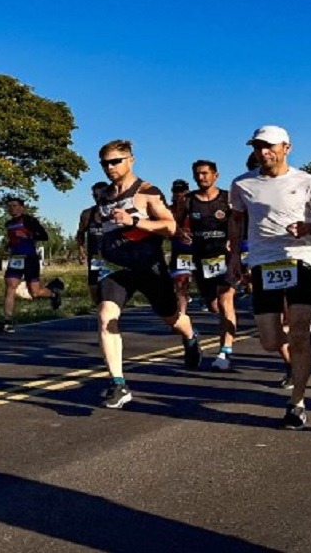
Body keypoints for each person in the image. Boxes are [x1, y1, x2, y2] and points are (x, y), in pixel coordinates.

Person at [228, 126, 311, 429]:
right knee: (269, 341)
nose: (262, 152)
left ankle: (297, 403)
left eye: (268, 146)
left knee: (297, 335)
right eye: (257, 146)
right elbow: (237, 221)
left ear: (287, 148)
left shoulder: (308, 182)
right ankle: (309, 328)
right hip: (262, 264)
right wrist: (233, 258)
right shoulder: (242, 184)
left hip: (299, 261)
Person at [94, 140, 202, 408]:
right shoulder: (104, 195)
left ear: (130, 160)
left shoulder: (147, 191)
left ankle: (190, 336)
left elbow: (169, 226)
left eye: (115, 161)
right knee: (106, 316)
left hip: (148, 266)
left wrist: (134, 221)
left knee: (172, 318)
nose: (110, 167)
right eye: (105, 163)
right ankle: (118, 383)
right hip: (117, 267)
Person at [176, 160, 236, 371]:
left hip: (224, 256)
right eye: (197, 174)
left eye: (204, 173)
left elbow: (238, 222)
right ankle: (212, 338)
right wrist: (181, 233)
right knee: (213, 305)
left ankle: (224, 352)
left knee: (225, 300)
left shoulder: (227, 198)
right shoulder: (188, 200)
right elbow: (175, 223)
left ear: (215, 175)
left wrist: (233, 243)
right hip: (201, 259)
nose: (201, 178)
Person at [0, 198, 64, 334]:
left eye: (14, 206)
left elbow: (44, 236)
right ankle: (7, 322)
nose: (11, 209)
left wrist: (29, 235)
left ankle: (53, 294)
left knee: (34, 292)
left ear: (22, 207)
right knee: (10, 288)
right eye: (9, 206)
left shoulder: (29, 221)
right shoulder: (8, 223)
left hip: (30, 259)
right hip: (16, 258)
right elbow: (12, 239)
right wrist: (8, 246)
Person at [75, 181, 109, 306]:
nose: (99, 198)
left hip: (113, 257)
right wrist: (81, 251)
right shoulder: (87, 214)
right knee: (94, 285)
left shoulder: (117, 212)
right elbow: (80, 234)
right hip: (96, 257)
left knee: (109, 286)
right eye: (95, 195)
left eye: (102, 195)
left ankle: (110, 311)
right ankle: (99, 307)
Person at [168, 179, 196, 316]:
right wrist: (178, 232)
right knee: (180, 285)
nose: (179, 195)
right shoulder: (168, 210)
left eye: (182, 191)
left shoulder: (197, 206)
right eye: (176, 192)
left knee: (212, 298)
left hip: (201, 252)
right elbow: (164, 230)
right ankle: (182, 316)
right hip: (181, 253)